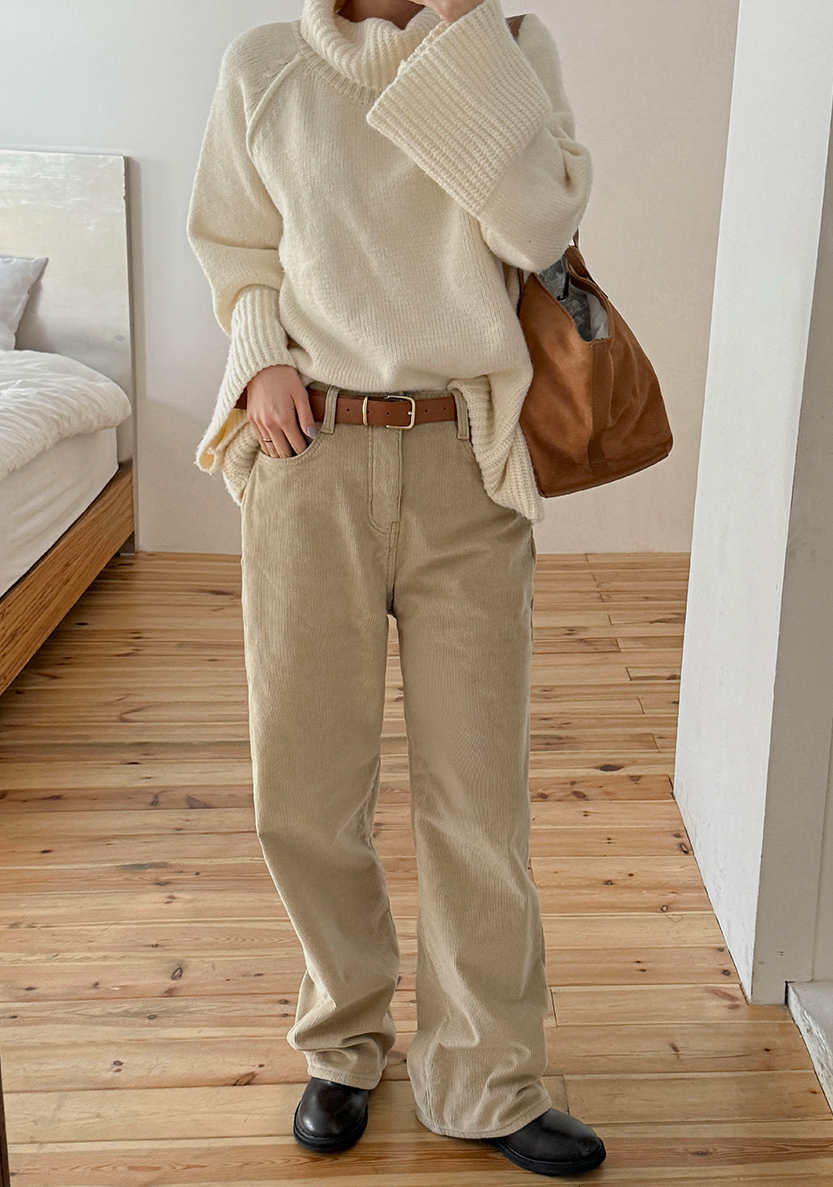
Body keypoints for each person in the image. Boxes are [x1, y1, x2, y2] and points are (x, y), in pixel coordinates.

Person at [187, 0, 606, 1175]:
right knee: (303, 786)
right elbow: (235, 242)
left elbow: (540, 223)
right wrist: (260, 355)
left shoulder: (510, 47)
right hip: (308, 455)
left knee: (479, 797)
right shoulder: (266, 66)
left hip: (466, 458)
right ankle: (343, 1041)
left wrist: (462, 39)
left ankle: (487, 1074)